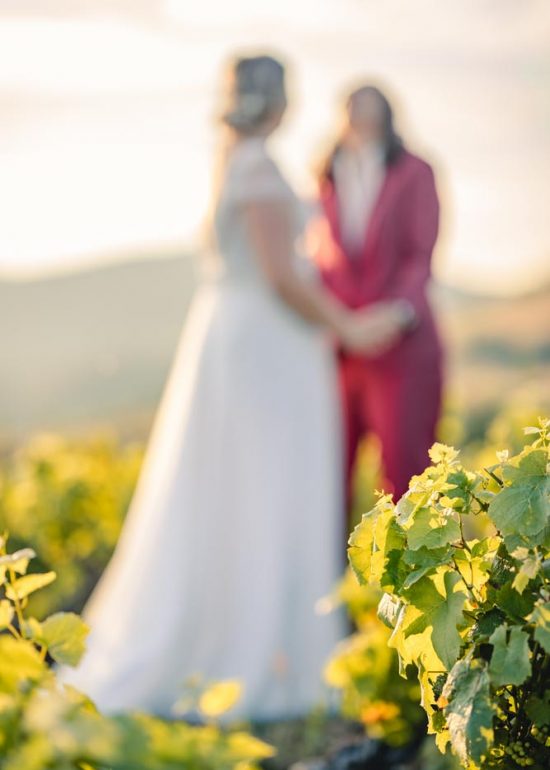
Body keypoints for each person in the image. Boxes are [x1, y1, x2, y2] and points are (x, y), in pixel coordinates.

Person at [60, 56, 383, 721]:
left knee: (238, 488)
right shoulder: (259, 165)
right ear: (277, 102)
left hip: (241, 341)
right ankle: (260, 657)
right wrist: (351, 326)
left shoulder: (231, 158)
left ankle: (255, 645)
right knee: (265, 488)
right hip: (268, 348)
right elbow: (284, 279)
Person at [311, 84, 443, 516]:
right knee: (327, 476)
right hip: (339, 349)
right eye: (353, 109)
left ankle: (407, 578)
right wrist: (335, 321)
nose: (361, 118)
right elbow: (321, 256)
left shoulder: (416, 171)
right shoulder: (325, 173)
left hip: (401, 345)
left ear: (389, 115)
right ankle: (330, 579)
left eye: (371, 109)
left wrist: (395, 315)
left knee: (406, 478)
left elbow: (421, 253)